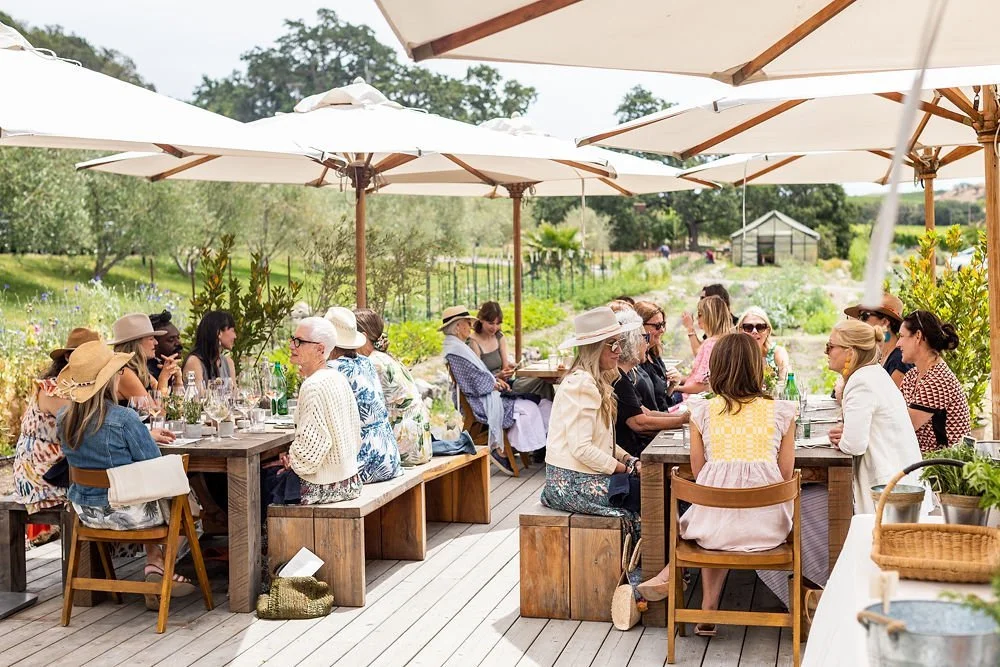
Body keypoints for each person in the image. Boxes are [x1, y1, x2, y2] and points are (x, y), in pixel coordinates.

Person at [759, 320, 930, 609]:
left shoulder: (862, 382)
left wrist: (844, 435)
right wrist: (847, 429)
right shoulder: (873, 375)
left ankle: (824, 587)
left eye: (831, 347)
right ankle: (820, 584)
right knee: (800, 502)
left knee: (785, 506)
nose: (827, 352)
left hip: (884, 493)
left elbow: (855, 445)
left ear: (850, 352)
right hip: (899, 484)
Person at [637, 334, 795, 634]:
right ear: (757, 367)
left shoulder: (702, 412)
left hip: (712, 532)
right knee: (728, 509)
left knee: (715, 511)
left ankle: (707, 605)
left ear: (718, 368)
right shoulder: (783, 412)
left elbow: (698, 471)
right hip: (769, 532)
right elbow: (786, 475)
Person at [56, 341, 196, 606]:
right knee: (191, 505)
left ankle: (156, 567)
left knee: (173, 501)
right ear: (110, 378)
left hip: (86, 515)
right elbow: (155, 468)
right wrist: (146, 438)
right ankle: (158, 567)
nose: (122, 374)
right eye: (118, 370)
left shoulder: (64, 417)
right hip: (129, 514)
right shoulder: (123, 419)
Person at [541, 307, 642, 539]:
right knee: (651, 496)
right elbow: (582, 448)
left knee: (649, 491)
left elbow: (601, 441)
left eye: (620, 343)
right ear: (596, 348)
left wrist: (629, 459)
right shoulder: (582, 384)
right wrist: (623, 469)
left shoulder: (592, 381)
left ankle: (650, 569)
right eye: (613, 344)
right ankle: (643, 570)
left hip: (576, 477)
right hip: (569, 482)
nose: (620, 351)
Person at [440, 305, 550, 476]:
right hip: (479, 399)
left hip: (487, 391)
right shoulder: (456, 351)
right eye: (467, 323)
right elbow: (472, 380)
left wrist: (495, 381)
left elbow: (476, 375)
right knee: (530, 408)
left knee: (541, 403)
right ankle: (502, 449)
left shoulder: (457, 347)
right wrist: (494, 383)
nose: (469, 326)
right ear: (458, 326)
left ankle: (527, 448)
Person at [273, 317, 362, 505]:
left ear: (320, 349)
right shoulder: (337, 378)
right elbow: (355, 434)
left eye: (299, 342)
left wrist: (291, 460)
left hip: (322, 486)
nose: (292, 346)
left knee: (262, 483)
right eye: (292, 339)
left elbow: (309, 454)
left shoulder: (313, 385)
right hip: (350, 480)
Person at [13, 328, 100, 522]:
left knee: (113, 483)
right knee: (108, 488)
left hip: (62, 467)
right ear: (69, 357)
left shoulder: (80, 387)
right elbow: (83, 429)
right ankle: (91, 548)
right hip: (42, 473)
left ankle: (103, 548)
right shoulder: (53, 390)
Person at [324, 307, 403, 483]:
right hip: (388, 456)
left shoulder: (332, 370)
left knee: (275, 480)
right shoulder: (367, 363)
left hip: (364, 464)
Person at [354, 308, 433, 467]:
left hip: (406, 445)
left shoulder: (373, 363)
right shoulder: (382, 357)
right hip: (419, 440)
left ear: (362, 337)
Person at [613, 309, 689, 457]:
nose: (647, 344)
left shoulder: (625, 375)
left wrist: (686, 417)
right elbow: (640, 422)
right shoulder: (619, 379)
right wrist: (682, 420)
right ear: (633, 342)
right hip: (633, 458)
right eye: (645, 338)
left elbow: (646, 412)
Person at [897, 310, 971, 452]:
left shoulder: (938, 380)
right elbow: (892, 415)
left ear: (918, 336)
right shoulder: (911, 376)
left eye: (901, 336)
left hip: (943, 467)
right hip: (919, 461)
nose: (898, 343)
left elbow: (902, 426)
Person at [109, 314, 177, 445]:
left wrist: (177, 379)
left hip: (134, 439)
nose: (156, 343)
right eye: (151, 339)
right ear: (136, 345)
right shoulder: (124, 373)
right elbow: (158, 414)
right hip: (122, 444)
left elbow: (173, 410)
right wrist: (163, 380)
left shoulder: (139, 371)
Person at [467, 301, 552, 400]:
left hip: (507, 384)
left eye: (498, 323)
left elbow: (505, 369)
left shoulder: (499, 337)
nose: (495, 328)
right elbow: (478, 376)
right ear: (481, 319)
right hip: (493, 388)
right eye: (491, 323)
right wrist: (498, 376)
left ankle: (552, 413)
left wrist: (509, 369)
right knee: (540, 386)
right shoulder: (473, 342)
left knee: (543, 381)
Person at [843, 293, 912, 388]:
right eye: (858, 316)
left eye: (864, 316)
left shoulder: (900, 361)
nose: (859, 322)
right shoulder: (876, 354)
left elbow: (888, 400)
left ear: (885, 322)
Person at [674, 295, 732, 396]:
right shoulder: (728, 341)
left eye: (700, 315)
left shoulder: (711, 344)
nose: (697, 318)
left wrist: (675, 388)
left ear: (710, 316)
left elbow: (703, 385)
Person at [635, 301, 683, 411]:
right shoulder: (635, 362)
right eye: (657, 326)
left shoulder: (654, 354)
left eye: (663, 325)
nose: (662, 330)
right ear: (640, 327)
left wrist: (672, 386)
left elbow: (661, 400)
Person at [182, 311, 237, 391]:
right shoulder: (194, 362)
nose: (235, 336)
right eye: (232, 331)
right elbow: (196, 399)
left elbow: (235, 397)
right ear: (219, 333)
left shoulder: (228, 362)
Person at [738, 307, 790, 383]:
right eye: (748, 327)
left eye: (760, 327)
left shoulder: (778, 353)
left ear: (768, 331)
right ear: (740, 331)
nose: (754, 331)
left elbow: (787, 383)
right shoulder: (735, 355)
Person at [681, 283, 735, 355]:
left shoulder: (735, 329)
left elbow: (700, 354)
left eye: (703, 298)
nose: (700, 302)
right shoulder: (714, 334)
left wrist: (690, 328)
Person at [147, 310, 183, 387]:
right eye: (171, 339)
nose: (178, 343)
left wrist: (178, 380)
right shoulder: (147, 372)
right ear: (155, 342)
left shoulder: (169, 368)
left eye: (178, 337)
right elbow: (159, 398)